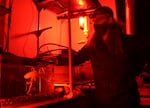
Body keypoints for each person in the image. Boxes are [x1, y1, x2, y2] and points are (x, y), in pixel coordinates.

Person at [72, 6, 143, 108]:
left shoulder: (128, 42)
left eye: (100, 19)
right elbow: (76, 58)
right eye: (94, 20)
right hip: (103, 100)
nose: (96, 23)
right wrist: (54, 60)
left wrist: (141, 75)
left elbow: (141, 60)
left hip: (126, 100)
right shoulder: (92, 45)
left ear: (109, 20)